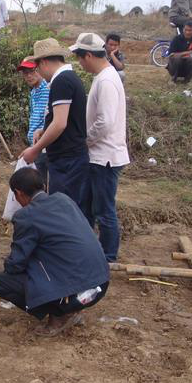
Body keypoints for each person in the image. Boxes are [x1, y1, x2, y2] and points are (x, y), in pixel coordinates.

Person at [0, 167, 110, 337]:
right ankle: (70, 307)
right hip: (100, 284)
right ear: (44, 186)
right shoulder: (64, 199)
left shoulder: (26, 216)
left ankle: (60, 314)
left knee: (0, 282)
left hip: (76, 294)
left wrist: (11, 264)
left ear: (18, 193)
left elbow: (15, 265)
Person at [70, 33, 129, 263]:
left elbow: (105, 121)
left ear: (88, 55)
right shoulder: (103, 77)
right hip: (99, 155)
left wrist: (84, 141)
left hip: (105, 156)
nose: (80, 64)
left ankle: (108, 257)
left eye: (80, 58)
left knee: (104, 211)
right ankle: (91, 252)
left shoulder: (106, 81)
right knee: (90, 207)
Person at [21, 38, 89, 214]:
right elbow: (65, 119)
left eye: (37, 67)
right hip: (71, 157)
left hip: (67, 160)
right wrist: (44, 130)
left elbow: (59, 123)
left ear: (43, 62)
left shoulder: (61, 81)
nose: (39, 73)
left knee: (64, 211)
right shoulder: (68, 78)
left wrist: (35, 149)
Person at [16, 58, 49, 182]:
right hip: (35, 145)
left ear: (39, 69)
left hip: (43, 145)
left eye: (32, 71)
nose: (29, 76)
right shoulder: (34, 91)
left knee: (40, 183)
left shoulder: (47, 88)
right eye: (25, 73)